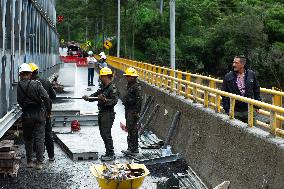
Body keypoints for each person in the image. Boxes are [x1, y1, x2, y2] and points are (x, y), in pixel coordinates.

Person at [17, 63, 51, 170]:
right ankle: (40, 163)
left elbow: (19, 100)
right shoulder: (36, 84)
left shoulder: (18, 85)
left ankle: (29, 161)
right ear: (30, 74)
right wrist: (48, 110)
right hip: (39, 113)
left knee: (28, 138)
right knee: (39, 138)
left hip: (27, 114)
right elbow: (46, 97)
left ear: (20, 74)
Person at [82, 67, 118, 161]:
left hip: (108, 113)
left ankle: (110, 153)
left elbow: (114, 101)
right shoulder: (103, 87)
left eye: (101, 76)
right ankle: (108, 151)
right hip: (102, 112)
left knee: (106, 133)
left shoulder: (111, 88)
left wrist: (105, 100)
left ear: (106, 76)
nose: (100, 77)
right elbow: (96, 94)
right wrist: (88, 98)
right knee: (103, 133)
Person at [29, 63, 56, 162]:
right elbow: (53, 96)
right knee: (48, 134)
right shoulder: (45, 81)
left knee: (37, 134)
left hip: (35, 113)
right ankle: (51, 156)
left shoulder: (28, 84)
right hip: (46, 112)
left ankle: (40, 155)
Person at [221, 55, 261, 122]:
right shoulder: (228, 76)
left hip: (249, 109)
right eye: (233, 62)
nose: (234, 64)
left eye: (236, 63)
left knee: (251, 130)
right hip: (235, 110)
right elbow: (223, 93)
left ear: (243, 64)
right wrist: (227, 109)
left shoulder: (251, 74)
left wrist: (257, 106)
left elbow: (256, 90)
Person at [121, 67, 142, 155]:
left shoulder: (136, 86)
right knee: (130, 129)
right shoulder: (130, 85)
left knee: (132, 130)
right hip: (129, 109)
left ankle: (133, 148)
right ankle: (131, 148)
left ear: (133, 77)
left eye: (128, 76)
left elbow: (139, 100)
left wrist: (136, 112)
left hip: (132, 111)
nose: (127, 78)